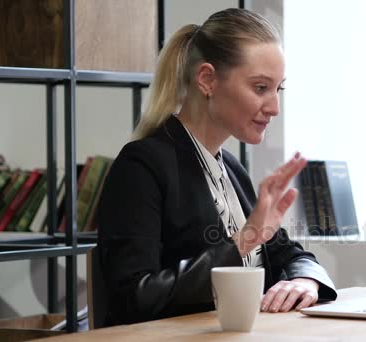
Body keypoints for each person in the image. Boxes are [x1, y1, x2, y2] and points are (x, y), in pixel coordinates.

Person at [96, 8, 337, 326]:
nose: (275, 107)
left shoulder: (232, 169)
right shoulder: (141, 167)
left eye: (278, 89)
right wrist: (246, 239)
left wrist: (306, 282)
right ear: (207, 80)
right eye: (261, 88)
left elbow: (290, 255)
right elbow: (134, 297)